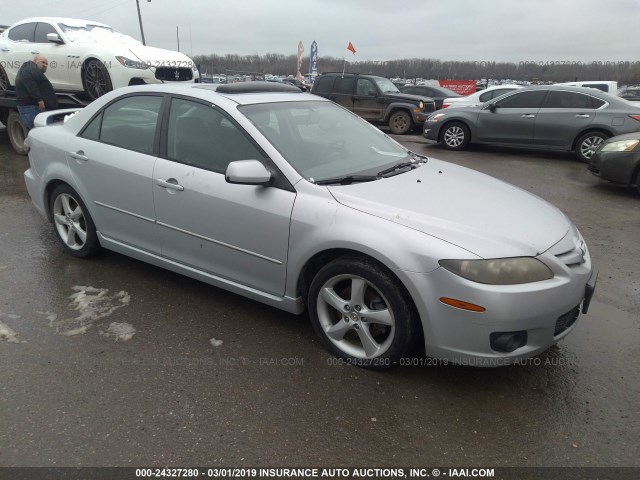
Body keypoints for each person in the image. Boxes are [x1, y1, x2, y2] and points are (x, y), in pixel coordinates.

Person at [15, 55, 58, 132]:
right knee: (36, 132)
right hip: (31, 107)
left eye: (47, 64)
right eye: (43, 62)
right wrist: (39, 100)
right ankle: (29, 143)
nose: (45, 65)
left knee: (38, 132)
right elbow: (29, 82)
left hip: (32, 107)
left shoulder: (32, 69)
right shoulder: (29, 68)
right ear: (35, 61)